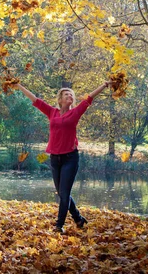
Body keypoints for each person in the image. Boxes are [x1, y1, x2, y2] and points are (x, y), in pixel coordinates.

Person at [16, 81, 112, 234]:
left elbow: (89, 98)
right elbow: (34, 99)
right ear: (60, 99)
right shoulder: (52, 112)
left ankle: (59, 225)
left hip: (70, 159)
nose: (70, 96)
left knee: (64, 193)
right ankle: (78, 219)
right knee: (62, 193)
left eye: (71, 95)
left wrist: (105, 85)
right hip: (55, 159)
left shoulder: (75, 112)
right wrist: (18, 86)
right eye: (67, 94)